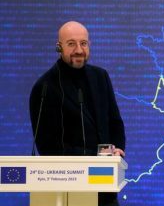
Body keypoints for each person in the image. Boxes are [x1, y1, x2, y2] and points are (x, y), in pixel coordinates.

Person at [29, 21, 126, 206]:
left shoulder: (101, 76)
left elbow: (115, 122)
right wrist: (96, 157)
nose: (79, 50)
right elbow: (48, 147)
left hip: (105, 190)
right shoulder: (45, 88)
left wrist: (118, 150)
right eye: (71, 44)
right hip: (67, 191)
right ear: (59, 47)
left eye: (84, 43)